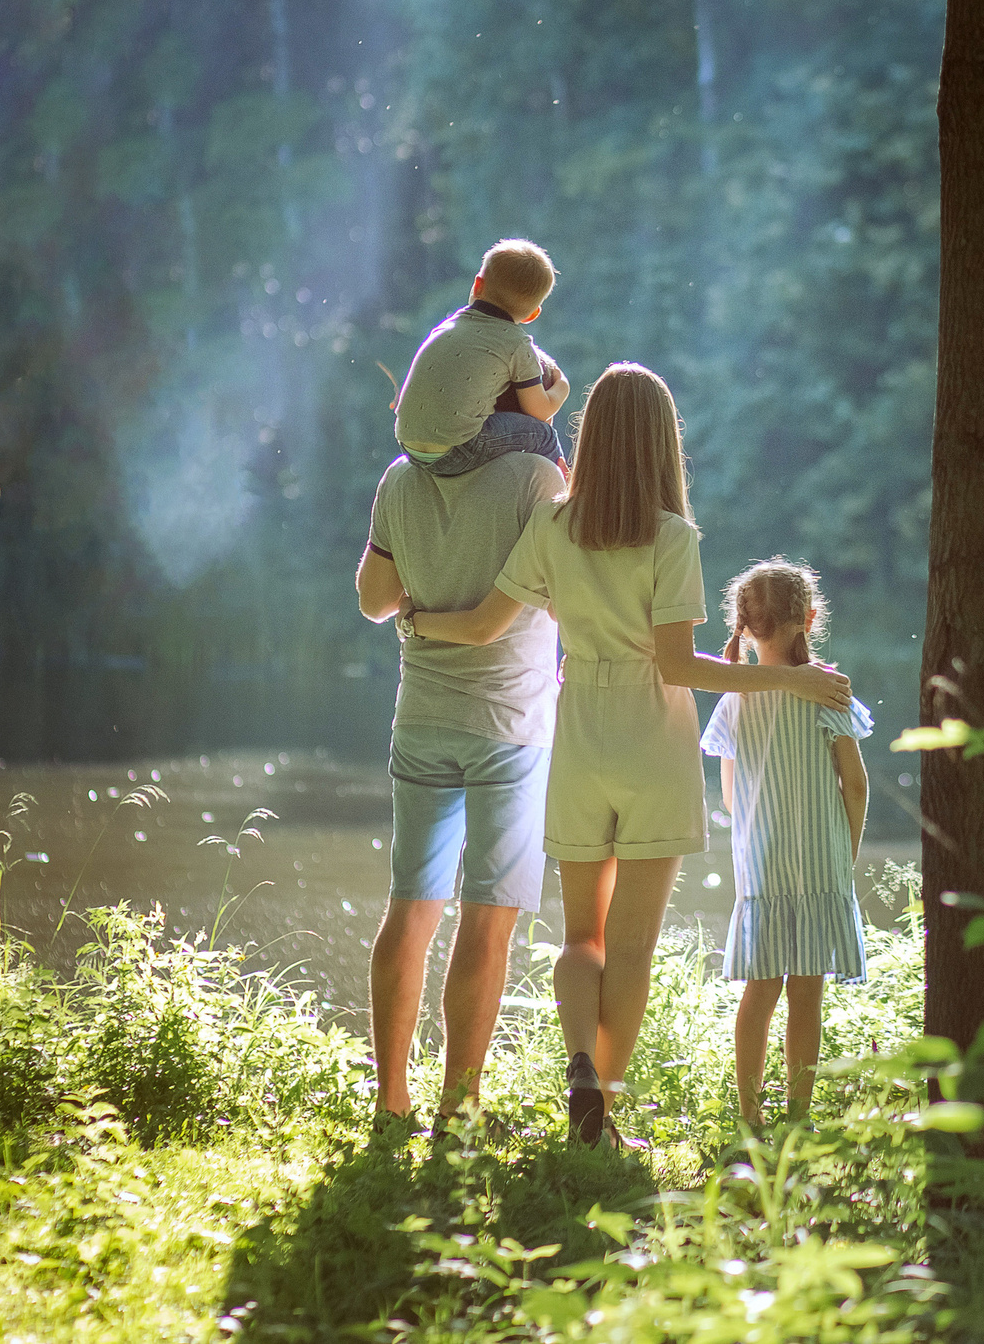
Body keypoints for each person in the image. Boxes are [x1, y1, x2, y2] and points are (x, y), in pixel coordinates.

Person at [409, 363, 852, 1146]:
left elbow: (482, 625)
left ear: (593, 436)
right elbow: (679, 665)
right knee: (632, 947)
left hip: (578, 729)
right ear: (662, 444)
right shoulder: (673, 537)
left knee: (583, 936)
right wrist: (791, 682)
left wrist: (414, 622)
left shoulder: (552, 523)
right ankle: (602, 1116)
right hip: (654, 736)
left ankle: (581, 1065)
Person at [355, 440, 565, 1126]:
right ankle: (458, 1110)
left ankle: (390, 1103)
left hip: (421, 717)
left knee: (409, 906)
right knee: (487, 919)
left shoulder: (401, 478)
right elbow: (568, 595)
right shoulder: (536, 476)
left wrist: (424, 600)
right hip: (510, 724)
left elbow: (374, 599)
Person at [704, 558, 871, 1129]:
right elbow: (855, 785)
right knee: (807, 994)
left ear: (745, 628)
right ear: (810, 617)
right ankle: (799, 1118)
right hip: (821, 866)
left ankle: (749, 1116)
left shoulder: (735, 701)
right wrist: (844, 853)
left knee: (760, 990)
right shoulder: (827, 694)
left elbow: (730, 800)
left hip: (761, 870)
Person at [393, 238, 571, 478]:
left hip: (407, 443)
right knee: (543, 434)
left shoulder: (447, 326)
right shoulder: (516, 343)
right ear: (532, 315)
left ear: (478, 285)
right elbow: (539, 410)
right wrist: (562, 385)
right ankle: (563, 490)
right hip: (457, 450)